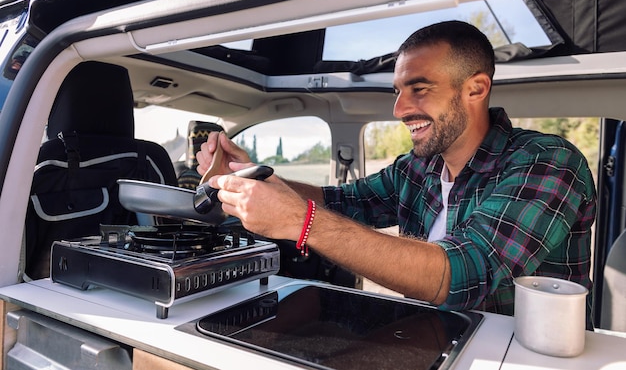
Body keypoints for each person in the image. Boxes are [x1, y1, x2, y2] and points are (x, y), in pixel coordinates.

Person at [196, 20, 597, 323]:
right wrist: (251, 174)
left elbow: (464, 272)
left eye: (419, 89)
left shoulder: (547, 161)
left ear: (476, 89)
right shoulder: (418, 168)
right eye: (398, 91)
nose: (399, 109)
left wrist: (302, 222)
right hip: (430, 338)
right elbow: (341, 201)